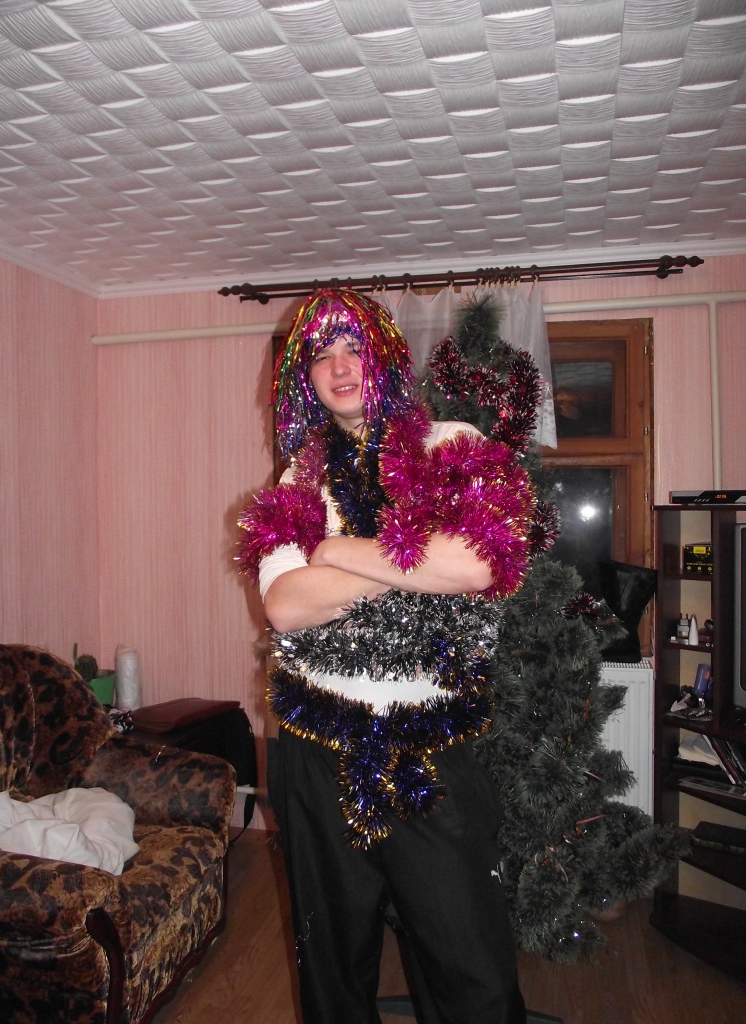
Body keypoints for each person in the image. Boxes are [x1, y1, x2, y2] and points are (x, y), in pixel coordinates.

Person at [239, 289, 534, 1024]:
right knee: (333, 969)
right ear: (304, 376)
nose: (340, 367)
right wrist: (412, 562)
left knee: (470, 968)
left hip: (432, 747)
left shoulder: (450, 444)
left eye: (355, 349)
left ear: (386, 358)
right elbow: (285, 606)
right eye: (321, 355)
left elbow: (475, 563)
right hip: (316, 749)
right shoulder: (296, 479)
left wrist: (335, 550)